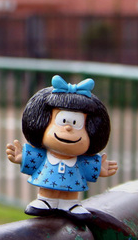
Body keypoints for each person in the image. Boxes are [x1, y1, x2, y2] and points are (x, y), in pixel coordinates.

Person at [6, 75, 118, 220]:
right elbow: (36, 158)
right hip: (47, 185)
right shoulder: (45, 151)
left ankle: (70, 204)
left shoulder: (80, 159)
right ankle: (46, 200)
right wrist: (23, 157)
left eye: (76, 123)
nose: (68, 128)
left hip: (72, 190)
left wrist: (99, 168)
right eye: (63, 121)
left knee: (70, 194)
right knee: (47, 194)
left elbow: (88, 166)